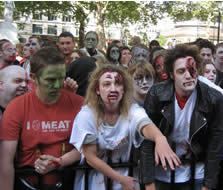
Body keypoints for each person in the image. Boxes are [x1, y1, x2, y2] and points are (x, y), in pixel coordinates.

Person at [70, 64, 180, 190]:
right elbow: (90, 157)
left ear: (124, 89)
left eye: (118, 84)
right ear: (97, 90)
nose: (113, 89)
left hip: (125, 181)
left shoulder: (132, 110)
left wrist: (160, 138)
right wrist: (120, 179)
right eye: (106, 84)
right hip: (95, 181)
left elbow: (144, 123)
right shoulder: (86, 115)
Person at [140, 44, 223, 190]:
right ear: (171, 75)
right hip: (162, 173)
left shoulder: (213, 98)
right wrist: (149, 183)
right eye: (181, 71)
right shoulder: (156, 94)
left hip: (196, 172)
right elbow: (146, 141)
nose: (188, 75)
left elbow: (215, 145)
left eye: (192, 69)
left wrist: (208, 186)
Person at [0, 47, 84, 190]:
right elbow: (5, 162)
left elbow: (89, 146)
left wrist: (60, 162)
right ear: (33, 78)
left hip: (69, 182)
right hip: (28, 183)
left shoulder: (79, 104)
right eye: (50, 79)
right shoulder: (17, 107)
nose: (57, 85)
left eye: (61, 77)